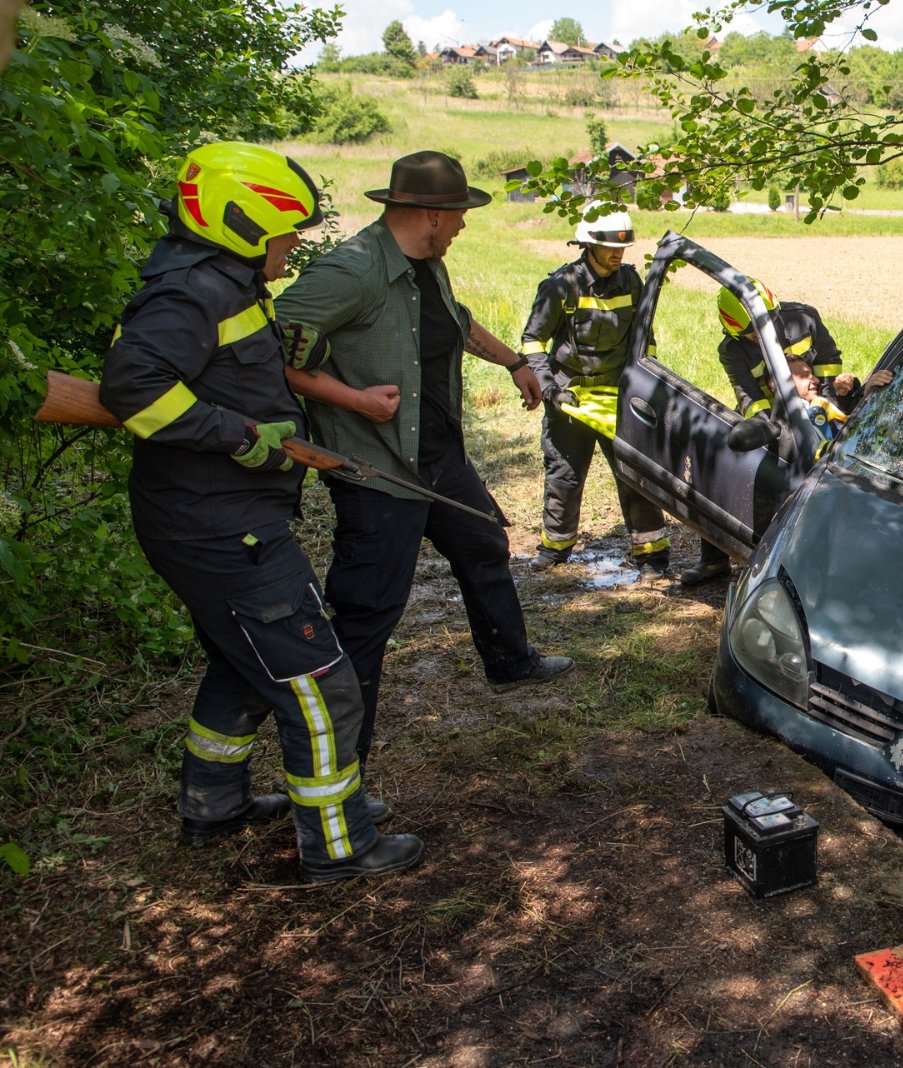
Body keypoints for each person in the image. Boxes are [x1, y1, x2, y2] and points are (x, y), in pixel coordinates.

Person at [99, 142, 421, 883]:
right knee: (318, 682)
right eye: (288, 231)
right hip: (219, 527)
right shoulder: (193, 294)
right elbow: (132, 387)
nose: (295, 244)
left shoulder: (223, 283)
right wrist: (243, 439)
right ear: (243, 221)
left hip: (215, 517)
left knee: (243, 663)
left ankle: (213, 805)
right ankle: (340, 843)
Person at [275, 150, 575, 796]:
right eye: (460, 214)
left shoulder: (427, 267)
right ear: (432, 216)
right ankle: (342, 776)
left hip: (437, 457)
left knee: (483, 542)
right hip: (380, 470)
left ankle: (509, 660)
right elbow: (273, 351)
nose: (465, 225)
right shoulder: (351, 272)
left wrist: (512, 363)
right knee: (368, 615)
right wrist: (353, 401)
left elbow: (456, 324)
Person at [518, 206, 672, 579]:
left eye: (622, 246)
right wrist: (551, 390)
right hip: (571, 400)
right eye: (608, 246)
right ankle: (555, 548)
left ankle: (652, 557)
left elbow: (643, 341)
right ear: (588, 244)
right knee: (565, 475)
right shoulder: (560, 286)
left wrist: (643, 386)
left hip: (618, 399)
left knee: (635, 476)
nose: (617, 253)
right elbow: (533, 341)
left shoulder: (632, 283)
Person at [679, 280, 846, 586]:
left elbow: (829, 361)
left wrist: (824, 402)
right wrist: (772, 428)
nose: (759, 336)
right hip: (770, 418)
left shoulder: (803, 318)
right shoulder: (732, 351)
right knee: (721, 470)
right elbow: (750, 399)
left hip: (813, 406)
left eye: (763, 326)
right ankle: (714, 560)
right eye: (750, 334)